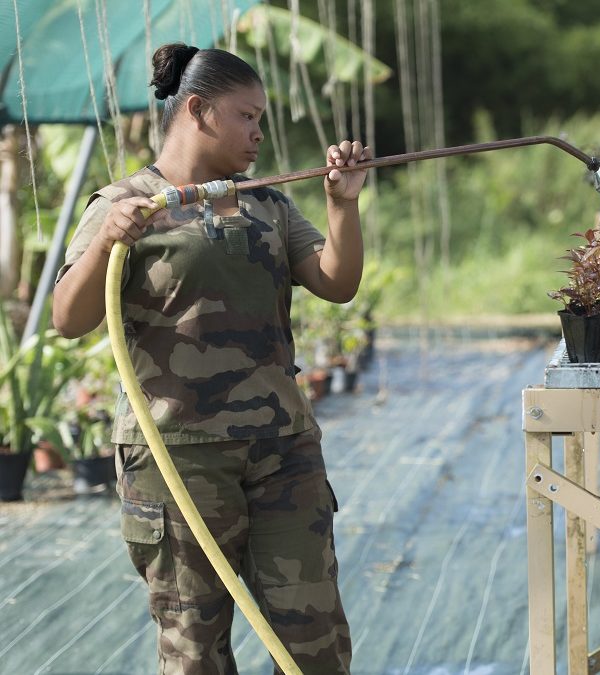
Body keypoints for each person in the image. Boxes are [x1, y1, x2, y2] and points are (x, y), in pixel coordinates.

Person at [52, 42, 367, 674]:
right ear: (198, 110)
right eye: (246, 117)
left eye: (261, 121)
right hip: (176, 459)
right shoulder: (124, 204)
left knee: (314, 641)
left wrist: (342, 203)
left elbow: (336, 282)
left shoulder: (268, 203)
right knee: (194, 650)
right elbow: (69, 318)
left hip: (283, 448)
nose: (257, 134)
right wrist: (109, 239)